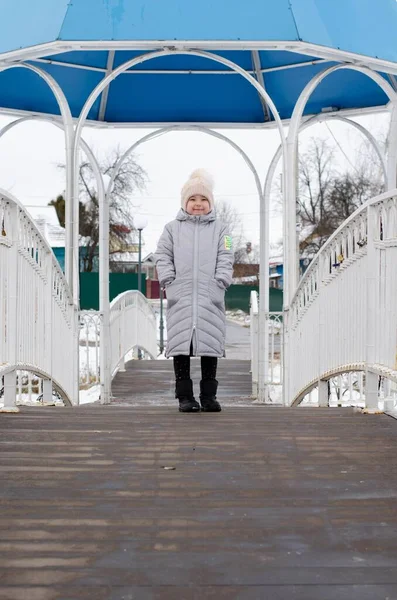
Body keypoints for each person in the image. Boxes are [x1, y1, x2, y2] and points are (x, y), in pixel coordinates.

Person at [154, 169, 234, 413]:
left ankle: (209, 397)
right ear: (184, 202)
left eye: (203, 200)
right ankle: (185, 397)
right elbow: (162, 255)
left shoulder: (222, 230)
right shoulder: (171, 229)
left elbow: (227, 254)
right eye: (192, 199)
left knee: (210, 346)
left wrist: (220, 281)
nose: (198, 204)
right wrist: (169, 281)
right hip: (182, 296)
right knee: (181, 347)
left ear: (210, 202)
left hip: (210, 296)